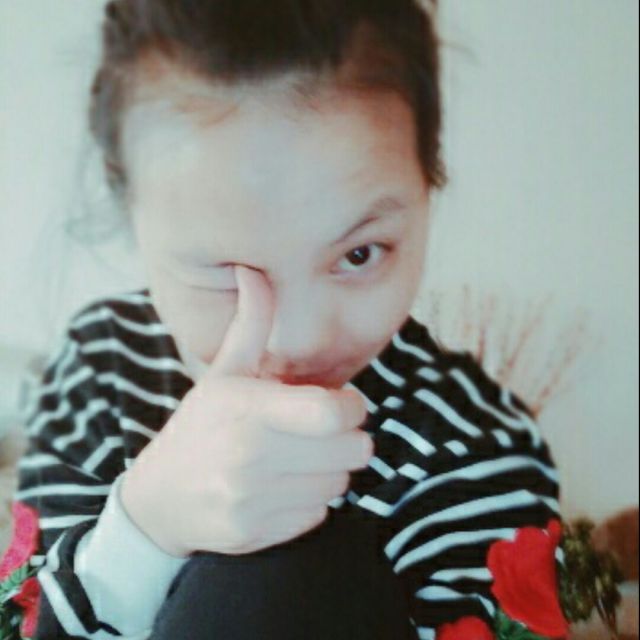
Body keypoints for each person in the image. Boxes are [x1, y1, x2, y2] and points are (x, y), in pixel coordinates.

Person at [3, 1, 562, 638]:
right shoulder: (98, 371)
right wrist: (145, 527)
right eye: (228, 272)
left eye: (359, 254)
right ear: (131, 211)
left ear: (426, 188)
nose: (298, 338)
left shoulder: (476, 445)